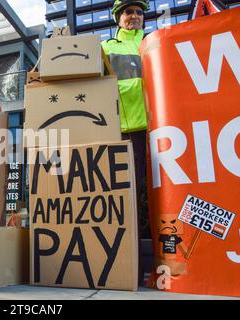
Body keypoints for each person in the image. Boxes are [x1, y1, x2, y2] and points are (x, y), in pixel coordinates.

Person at [101, 0, 150, 285]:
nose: (134, 16)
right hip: (120, 130)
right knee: (127, 196)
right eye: (129, 12)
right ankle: (131, 264)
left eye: (139, 12)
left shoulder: (155, 41)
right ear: (119, 18)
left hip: (156, 129)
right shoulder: (106, 47)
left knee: (157, 195)